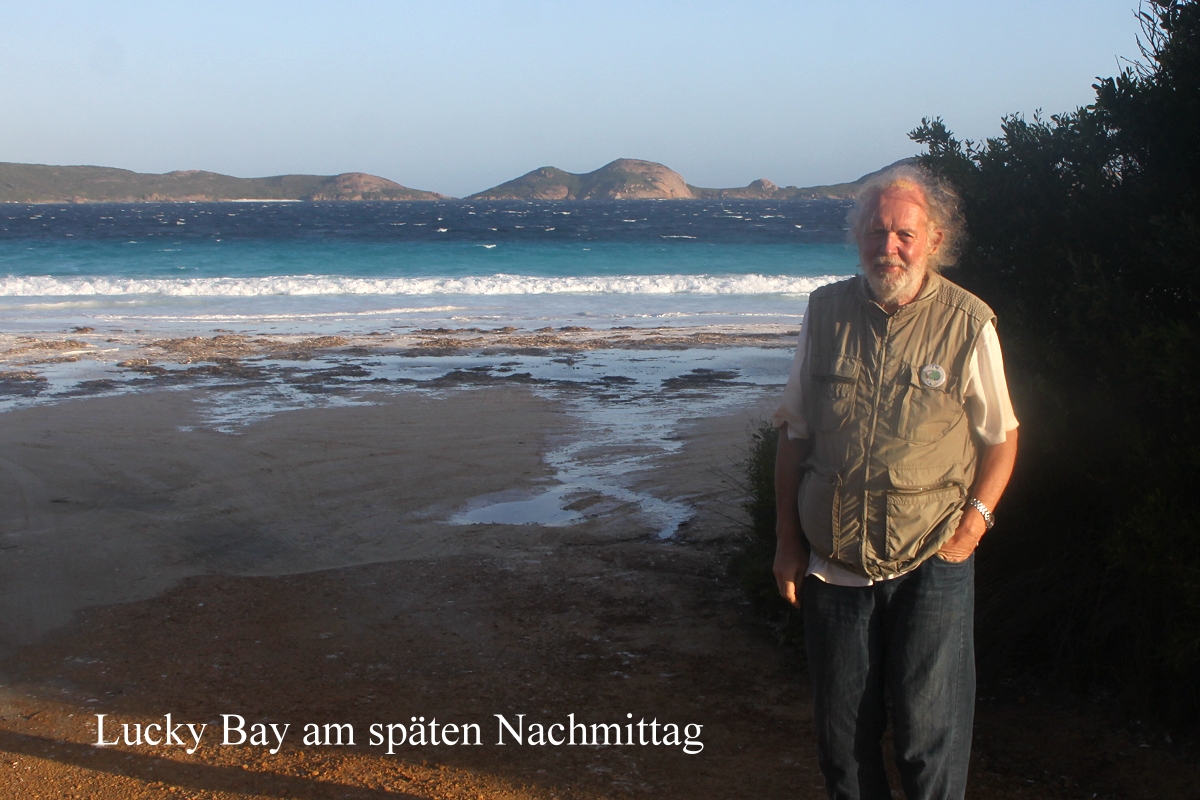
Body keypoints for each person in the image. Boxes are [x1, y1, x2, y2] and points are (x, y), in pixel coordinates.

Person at [772, 164, 1019, 800]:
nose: (889, 247)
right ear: (858, 237)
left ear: (934, 240)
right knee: (842, 747)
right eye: (877, 232)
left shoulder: (968, 322)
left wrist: (974, 525)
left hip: (932, 559)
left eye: (905, 234)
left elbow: (1001, 437)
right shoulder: (825, 312)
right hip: (833, 562)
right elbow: (795, 433)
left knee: (926, 743)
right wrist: (787, 542)